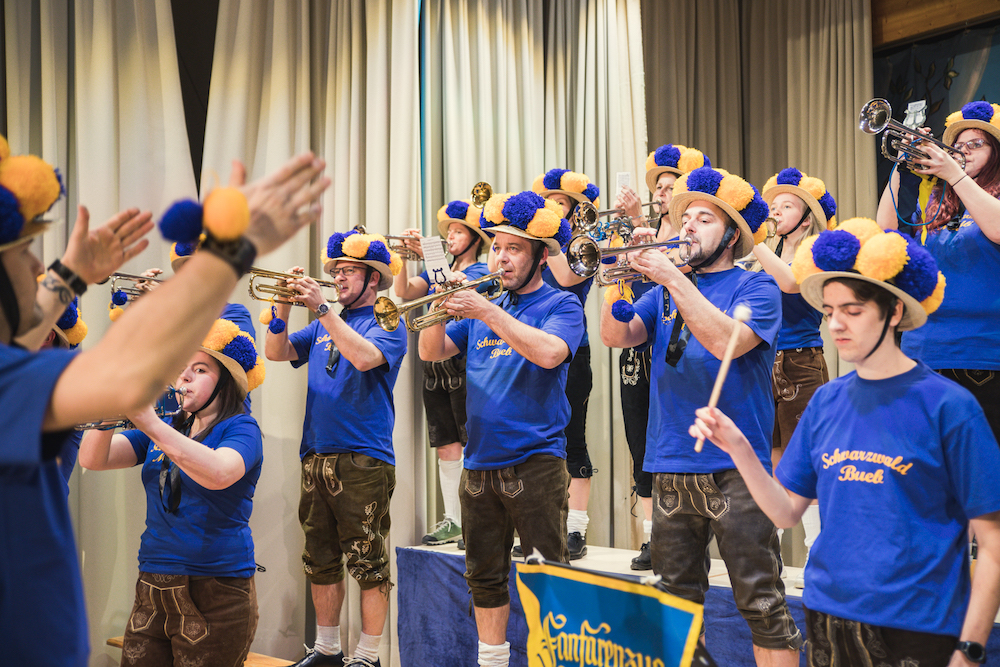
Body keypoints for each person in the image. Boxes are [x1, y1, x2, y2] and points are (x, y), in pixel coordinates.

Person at [0, 134, 328, 667]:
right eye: (22, 253)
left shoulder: (237, 427)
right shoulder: (11, 377)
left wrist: (69, 276)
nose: (37, 262)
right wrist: (231, 251)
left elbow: (27, 335)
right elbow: (125, 385)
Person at [691, 224, 1000, 666]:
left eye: (852, 311)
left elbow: (993, 544)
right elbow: (785, 512)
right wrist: (738, 446)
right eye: (830, 310)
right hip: (828, 617)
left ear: (894, 311)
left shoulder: (949, 407)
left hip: (917, 626)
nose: (835, 323)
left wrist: (969, 650)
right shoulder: (826, 401)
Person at [600, 165, 802, 665]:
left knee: (762, 604)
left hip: (738, 468)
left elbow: (723, 340)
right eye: (685, 218)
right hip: (670, 460)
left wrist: (670, 275)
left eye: (705, 219)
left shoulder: (757, 288)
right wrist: (617, 277)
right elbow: (616, 335)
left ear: (732, 235)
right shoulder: (663, 291)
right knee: (676, 605)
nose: (688, 225)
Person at [418, 190, 583, 667]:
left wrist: (487, 310)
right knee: (484, 578)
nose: (501, 257)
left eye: (514, 249)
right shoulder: (483, 304)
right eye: (496, 247)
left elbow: (550, 354)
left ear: (541, 257)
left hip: (536, 461)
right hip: (480, 461)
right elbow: (431, 351)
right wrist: (441, 302)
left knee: (547, 578)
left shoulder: (562, 304)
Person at [79, 318, 267, 666]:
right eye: (181, 370)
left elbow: (220, 472)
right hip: (153, 579)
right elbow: (93, 459)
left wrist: (149, 422)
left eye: (200, 369)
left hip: (216, 586)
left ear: (225, 382)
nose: (185, 378)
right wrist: (108, 408)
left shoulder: (242, 427)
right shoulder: (167, 426)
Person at [264, 230, 406, 667]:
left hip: (364, 456)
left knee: (368, 562)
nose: (338, 277)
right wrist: (282, 307)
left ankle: (368, 656)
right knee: (320, 560)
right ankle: (327, 649)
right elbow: (275, 351)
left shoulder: (388, 321)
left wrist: (323, 310)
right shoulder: (324, 325)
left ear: (373, 279)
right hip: (316, 452)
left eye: (348, 271)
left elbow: (364, 358)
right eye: (336, 271)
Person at [876, 100, 1000, 444]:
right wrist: (901, 166)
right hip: (923, 350)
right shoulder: (937, 200)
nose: (963, 151)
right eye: (958, 145)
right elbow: (886, 231)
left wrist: (953, 173)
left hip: (982, 355)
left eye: (976, 144)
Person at [612, 143, 709, 570]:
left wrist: (638, 224)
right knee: (642, 442)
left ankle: (687, 537)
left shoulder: (688, 240)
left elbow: (678, 272)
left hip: (678, 347)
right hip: (638, 343)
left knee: (678, 441)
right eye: (659, 187)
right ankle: (654, 536)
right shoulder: (645, 232)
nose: (661, 193)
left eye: (670, 187)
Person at [752, 168, 837, 587]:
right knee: (774, 459)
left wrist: (752, 240)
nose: (776, 211)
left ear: (806, 219)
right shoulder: (767, 250)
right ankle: (774, 557)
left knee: (806, 460)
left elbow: (789, 283)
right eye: (773, 205)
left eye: (787, 206)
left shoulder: (814, 249)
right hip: (765, 361)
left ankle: (819, 555)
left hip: (802, 362)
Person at [394, 200, 491, 545]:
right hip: (434, 362)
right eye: (448, 231)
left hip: (462, 359)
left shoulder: (480, 270)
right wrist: (404, 258)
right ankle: (454, 519)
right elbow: (404, 292)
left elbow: (459, 293)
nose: (451, 237)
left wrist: (431, 256)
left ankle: (475, 517)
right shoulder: (439, 268)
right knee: (445, 443)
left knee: (470, 441)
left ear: (475, 238)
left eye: (458, 231)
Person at [520, 168, 598, 560]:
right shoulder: (539, 248)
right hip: (529, 348)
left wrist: (549, 240)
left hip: (571, 351)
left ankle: (576, 528)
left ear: (574, 209)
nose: (553, 206)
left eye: (561, 202)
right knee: (533, 439)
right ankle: (539, 525)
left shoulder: (581, 245)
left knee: (572, 438)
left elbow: (567, 279)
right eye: (548, 201)